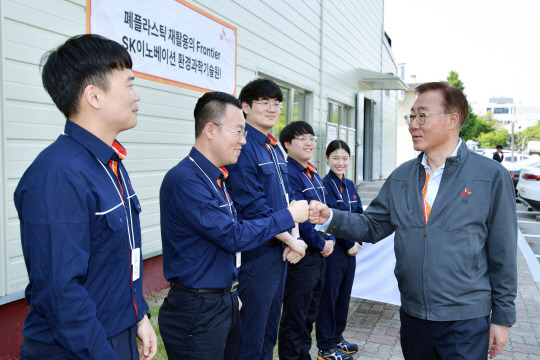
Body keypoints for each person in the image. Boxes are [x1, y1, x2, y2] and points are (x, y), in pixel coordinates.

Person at [310, 82, 517, 360]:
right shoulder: (402, 177)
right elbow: (372, 226)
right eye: (411, 116)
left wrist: (502, 319)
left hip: (466, 320)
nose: (413, 125)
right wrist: (331, 218)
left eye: (422, 116)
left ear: (452, 119)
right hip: (413, 316)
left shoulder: (490, 176)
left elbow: (503, 252)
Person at [14, 34, 156, 360]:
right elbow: (62, 295)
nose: (137, 95)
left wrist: (138, 315)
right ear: (94, 96)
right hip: (78, 348)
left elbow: (118, 259)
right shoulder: (58, 176)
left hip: (112, 335)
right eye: (129, 84)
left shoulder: (108, 164)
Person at [158, 91, 308, 360]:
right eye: (238, 131)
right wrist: (287, 216)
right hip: (197, 310)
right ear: (211, 130)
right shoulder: (186, 180)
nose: (243, 140)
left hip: (220, 300)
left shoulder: (215, 178)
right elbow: (232, 235)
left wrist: (229, 292)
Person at [226, 79, 304, 360]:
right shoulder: (244, 147)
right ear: (245, 107)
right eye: (264, 102)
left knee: (269, 332)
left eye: (276, 104)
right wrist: (292, 241)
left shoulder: (273, 147)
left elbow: (288, 199)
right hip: (256, 255)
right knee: (251, 335)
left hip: (279, 252)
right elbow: (253, 207)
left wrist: (294, 239)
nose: (272, 109)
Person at [276, 121, 335, 359]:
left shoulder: (311, 173)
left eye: (312, 138)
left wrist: (329, 238)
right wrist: (322, 244)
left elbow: (323, 212)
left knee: (310, 314)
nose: (309, 142)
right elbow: (301, 218)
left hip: (317, 254)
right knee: (295, 317)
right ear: (287, 145)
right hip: (302, 254)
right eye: (302, 138)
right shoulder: (290, 174)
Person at [315, 140, 362, 360]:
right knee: (329, 298)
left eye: (344, 158)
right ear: (327, 159)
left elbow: (359, 214)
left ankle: (337, 337)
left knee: (344, 296)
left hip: (350, 251)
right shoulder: (324, 185)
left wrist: (358, 240)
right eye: (335, 158)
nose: (340, 162)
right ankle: (325, 346)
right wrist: (349, 242)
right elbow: (331, 220)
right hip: (334, 251)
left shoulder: (350, 185)